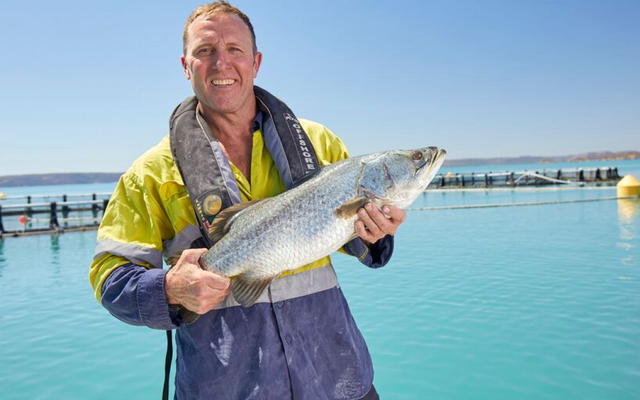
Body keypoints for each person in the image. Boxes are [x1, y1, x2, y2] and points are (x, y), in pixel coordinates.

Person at [89, 2, 407, 399]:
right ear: (186, 66)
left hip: (338, 380)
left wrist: (376, 233)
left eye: (235, 50)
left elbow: (351, 237)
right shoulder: (150, 173)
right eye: (205, 51)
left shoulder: (319, 142)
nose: (221, 63)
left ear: (255, 62)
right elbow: (109, 276)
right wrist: (169, 288)